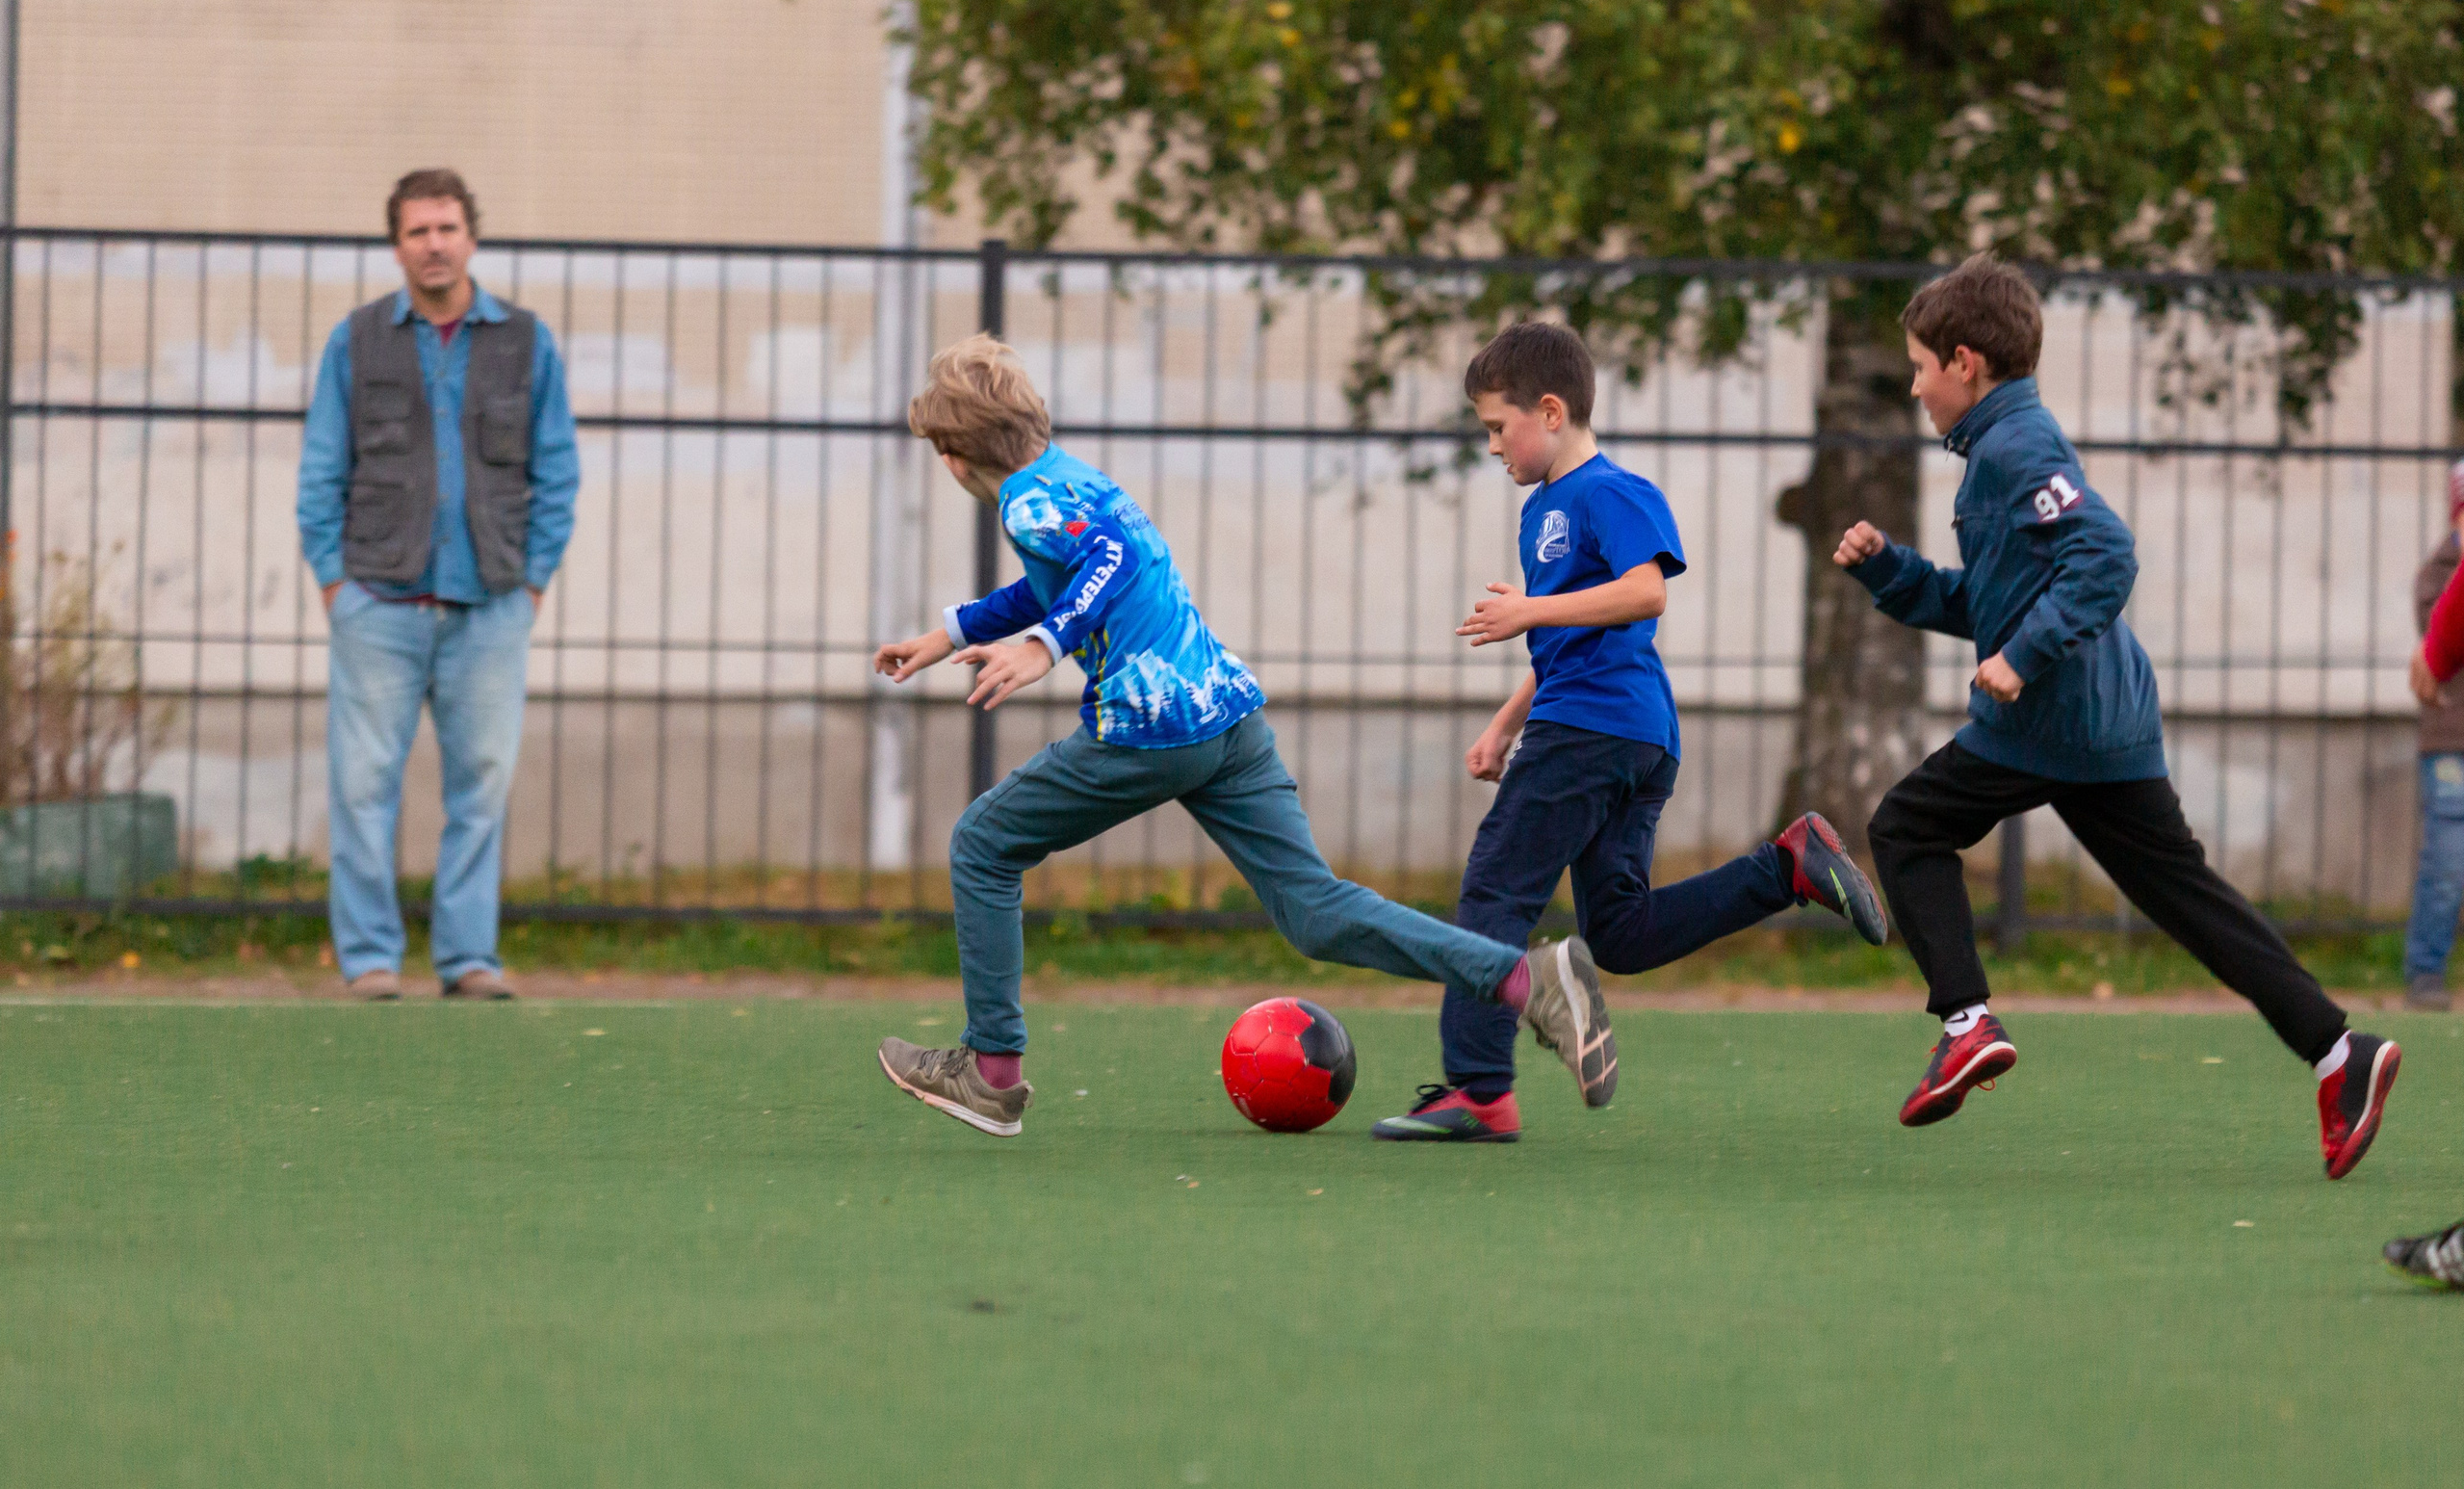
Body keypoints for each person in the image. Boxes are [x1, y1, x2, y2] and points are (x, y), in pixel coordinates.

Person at [869, 335, 1617, 1138]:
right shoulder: (1068, 478)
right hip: (1227, 714)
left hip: (1153, 727)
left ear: (951, 457)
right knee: (1314, 911)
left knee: (982, 844)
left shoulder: (1026, 499)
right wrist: (950, 632)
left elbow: (1108, 563)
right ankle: (1522, 977)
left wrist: (1042, 646)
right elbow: (1061, 574)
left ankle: (991, 1071)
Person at [1836, 254, 2399, 1179]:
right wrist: (1888, 572)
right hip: (2101, 722)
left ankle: (1967, 1023)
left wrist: (2019, 660)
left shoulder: (2016, 447)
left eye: (1920, 367)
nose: (1914, 385)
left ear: (1966, 363)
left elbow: (2104, 554)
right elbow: (1992, 600)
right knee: (2187, 898)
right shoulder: (1999, 448)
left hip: (2054, 722)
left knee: (1904, 826)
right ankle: (2342, 1056)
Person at [1372, 322, 1888, 1143]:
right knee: (1622, 931)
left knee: (1493, 893)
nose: (1495, 447)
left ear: (1550, 411)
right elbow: (1571, 637)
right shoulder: (1545, 508)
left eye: (1498, 428)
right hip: (1620, 729)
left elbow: (1645, 594)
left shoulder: (1609, 491)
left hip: (1593, 728)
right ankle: (1788, 866)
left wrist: (1528, 610)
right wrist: (1506, 723)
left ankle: (1478, 1087)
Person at [296, 170, 581, 1002]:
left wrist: (532, 581)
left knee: (482, 784)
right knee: (360, 786)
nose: (434, 243)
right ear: (397, 245)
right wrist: (332, 582)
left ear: (471, 237)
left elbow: (556, 469)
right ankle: (371, 959)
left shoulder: (526, 341)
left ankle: (467, 959)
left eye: (447, 227)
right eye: (418, 230)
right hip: (375, 602)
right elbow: (321, 470)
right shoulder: (357, 340)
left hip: (491, 600)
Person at [2399, 464, 2464, 1012]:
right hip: (2451, 738)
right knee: (2447, 857)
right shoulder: (2438, 574)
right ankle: (2425, 970)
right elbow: (2440, 634)